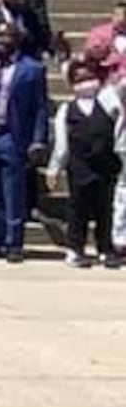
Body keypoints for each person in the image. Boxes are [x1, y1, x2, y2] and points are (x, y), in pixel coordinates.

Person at [0, 22, 49, 261]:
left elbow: (40, 108)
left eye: (7, 36)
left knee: (13, 192)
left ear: (18, 39)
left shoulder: (31, 69)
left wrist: (38, 140)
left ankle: (14, 243)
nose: (1, 40)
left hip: (11, 135)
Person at [42, 62, 120, 269]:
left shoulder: (108, 103)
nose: (86, 83)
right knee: (78, 210)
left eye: (89, 78)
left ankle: (105, 249)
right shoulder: (67, 110)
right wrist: (54, 169)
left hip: (105, 166)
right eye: (80, 80)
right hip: (79, 167)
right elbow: (61, 144)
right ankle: (75, 249)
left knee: (105, 210)